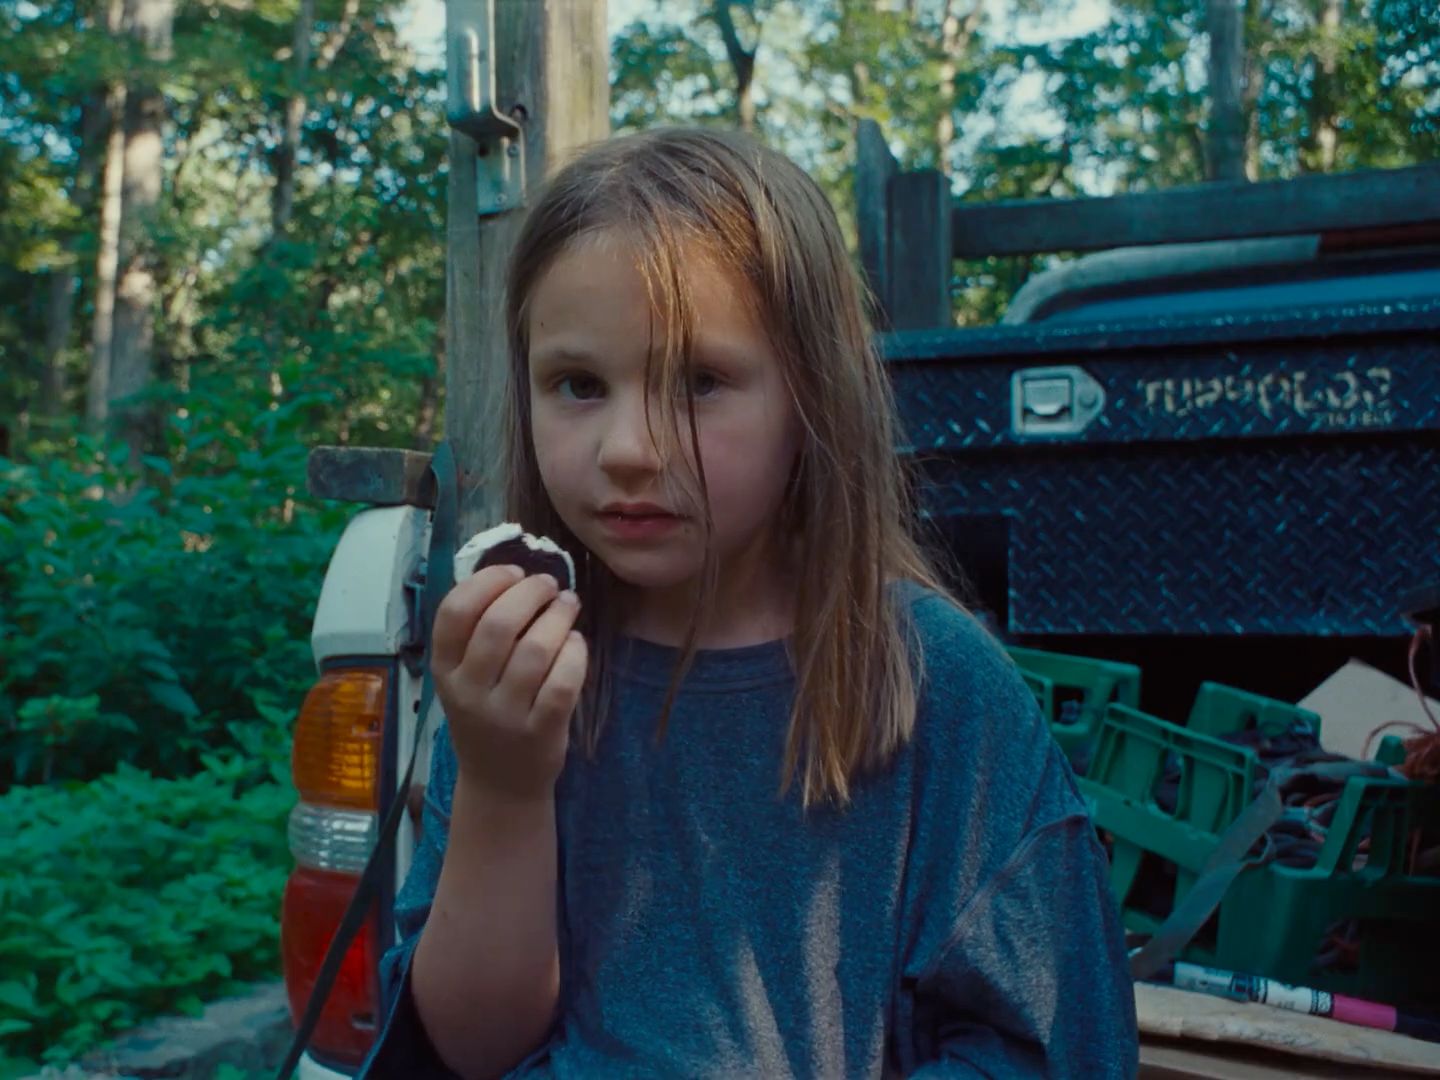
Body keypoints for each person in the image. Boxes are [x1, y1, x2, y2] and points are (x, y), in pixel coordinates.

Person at [356, 127, 1138, 1079]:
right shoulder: (522, 672)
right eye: (577, 384)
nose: (628, 449)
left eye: (700, 382)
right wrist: (504, 782)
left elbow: (1056, 1046)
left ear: (811, 396)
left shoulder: (939, 686)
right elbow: (472, 1051)